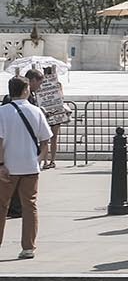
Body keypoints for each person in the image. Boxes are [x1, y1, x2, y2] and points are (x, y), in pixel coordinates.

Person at [0, 76, 52, 260]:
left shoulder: (2, 112)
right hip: (30, 166)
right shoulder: (36, 111)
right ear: (25, 90)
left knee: (2, 206)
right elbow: (46, 139)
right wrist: (40, 158)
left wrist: (1, 164)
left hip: (7, 167)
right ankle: (28, 247)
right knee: (29, 206)